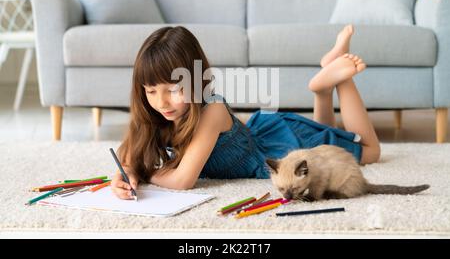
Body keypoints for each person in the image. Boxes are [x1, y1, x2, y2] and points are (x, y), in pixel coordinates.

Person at [112, 25, 380, 200]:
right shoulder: (158, 114)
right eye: (150, 90)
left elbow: (183, 181)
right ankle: (323, 90)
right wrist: (126, 174)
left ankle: (343, 79)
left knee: (370, 151)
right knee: (324, 140)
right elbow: (128, 157)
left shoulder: (212, 110)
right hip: (262, 135)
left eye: (172, 89)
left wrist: (144, 172)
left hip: (280, 150)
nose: (161, 102)